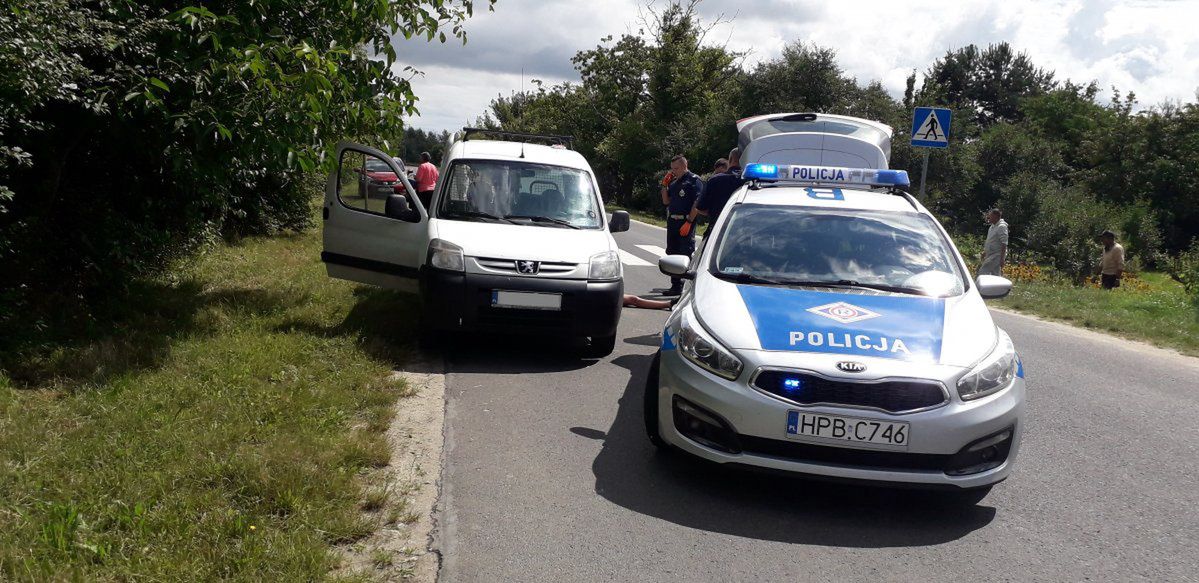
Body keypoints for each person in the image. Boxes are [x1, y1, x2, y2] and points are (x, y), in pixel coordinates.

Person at [661, 155, 702, 296]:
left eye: (676, 168)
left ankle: (685, 287)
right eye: (672, 169)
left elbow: (697, 204)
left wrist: (689, 222)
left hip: (685, 221)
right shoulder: (673, 182)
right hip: (672, 221)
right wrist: (664, 186)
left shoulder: (694, 181)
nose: (673, 171)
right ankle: (675, 286)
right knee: (672, 253)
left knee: (684, 253)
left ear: (684, 166)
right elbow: (666, 201)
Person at [688, 147, 744, 237]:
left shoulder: (715, 179)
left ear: (729, 160)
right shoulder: (754, 180)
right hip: (745, 234)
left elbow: (700, 208)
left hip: (717, 232)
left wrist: (714, 211)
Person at [979, 208, 1008, 276]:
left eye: (990, 216)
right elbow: (991, 241)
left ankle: (980, 286)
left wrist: (1002, 259)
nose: (989, 217)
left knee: (983, 271)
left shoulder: (1002, 227)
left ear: (995, 217)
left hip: (997, 255)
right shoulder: (992, 227)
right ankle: (1000, 286)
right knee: (995, 275)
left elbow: (1004, 243)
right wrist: (985, 252)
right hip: (991, 254)